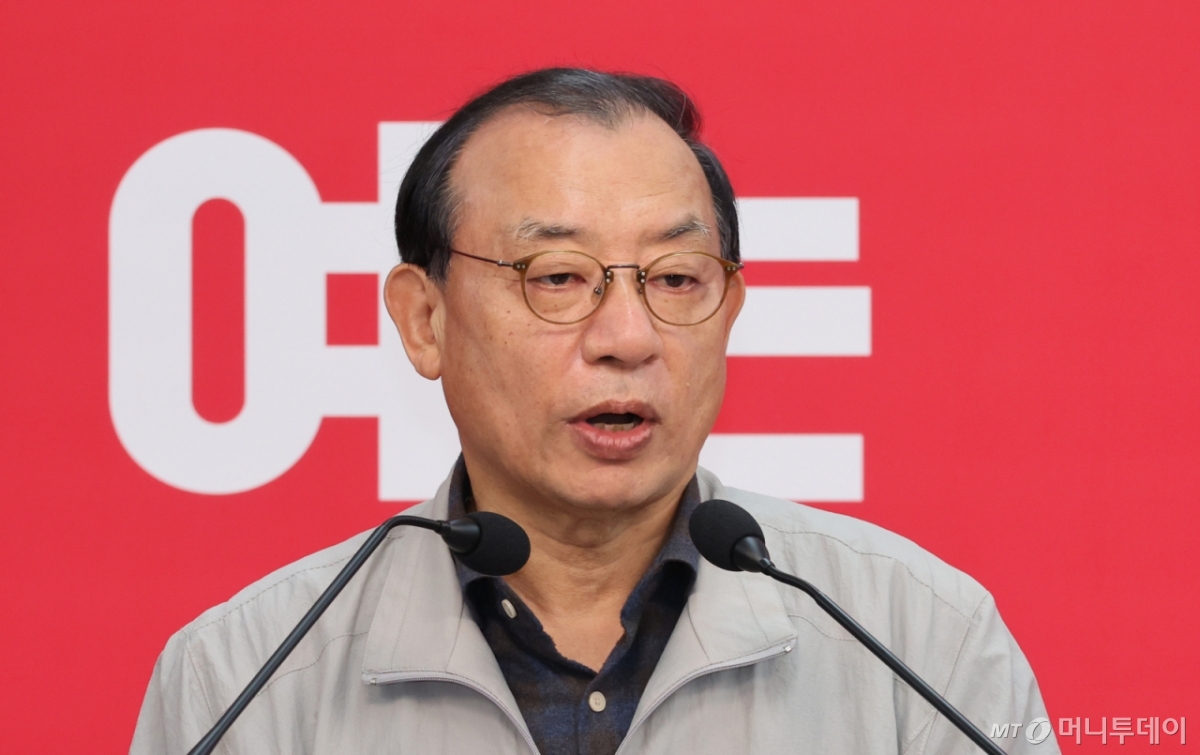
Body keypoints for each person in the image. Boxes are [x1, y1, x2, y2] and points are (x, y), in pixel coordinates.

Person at [130, 68, 1057, 755]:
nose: (627, 336)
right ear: (425, 319)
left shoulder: (919, 641)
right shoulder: (245, 677)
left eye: (676, 278)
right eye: (558, 277)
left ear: (730, 310)